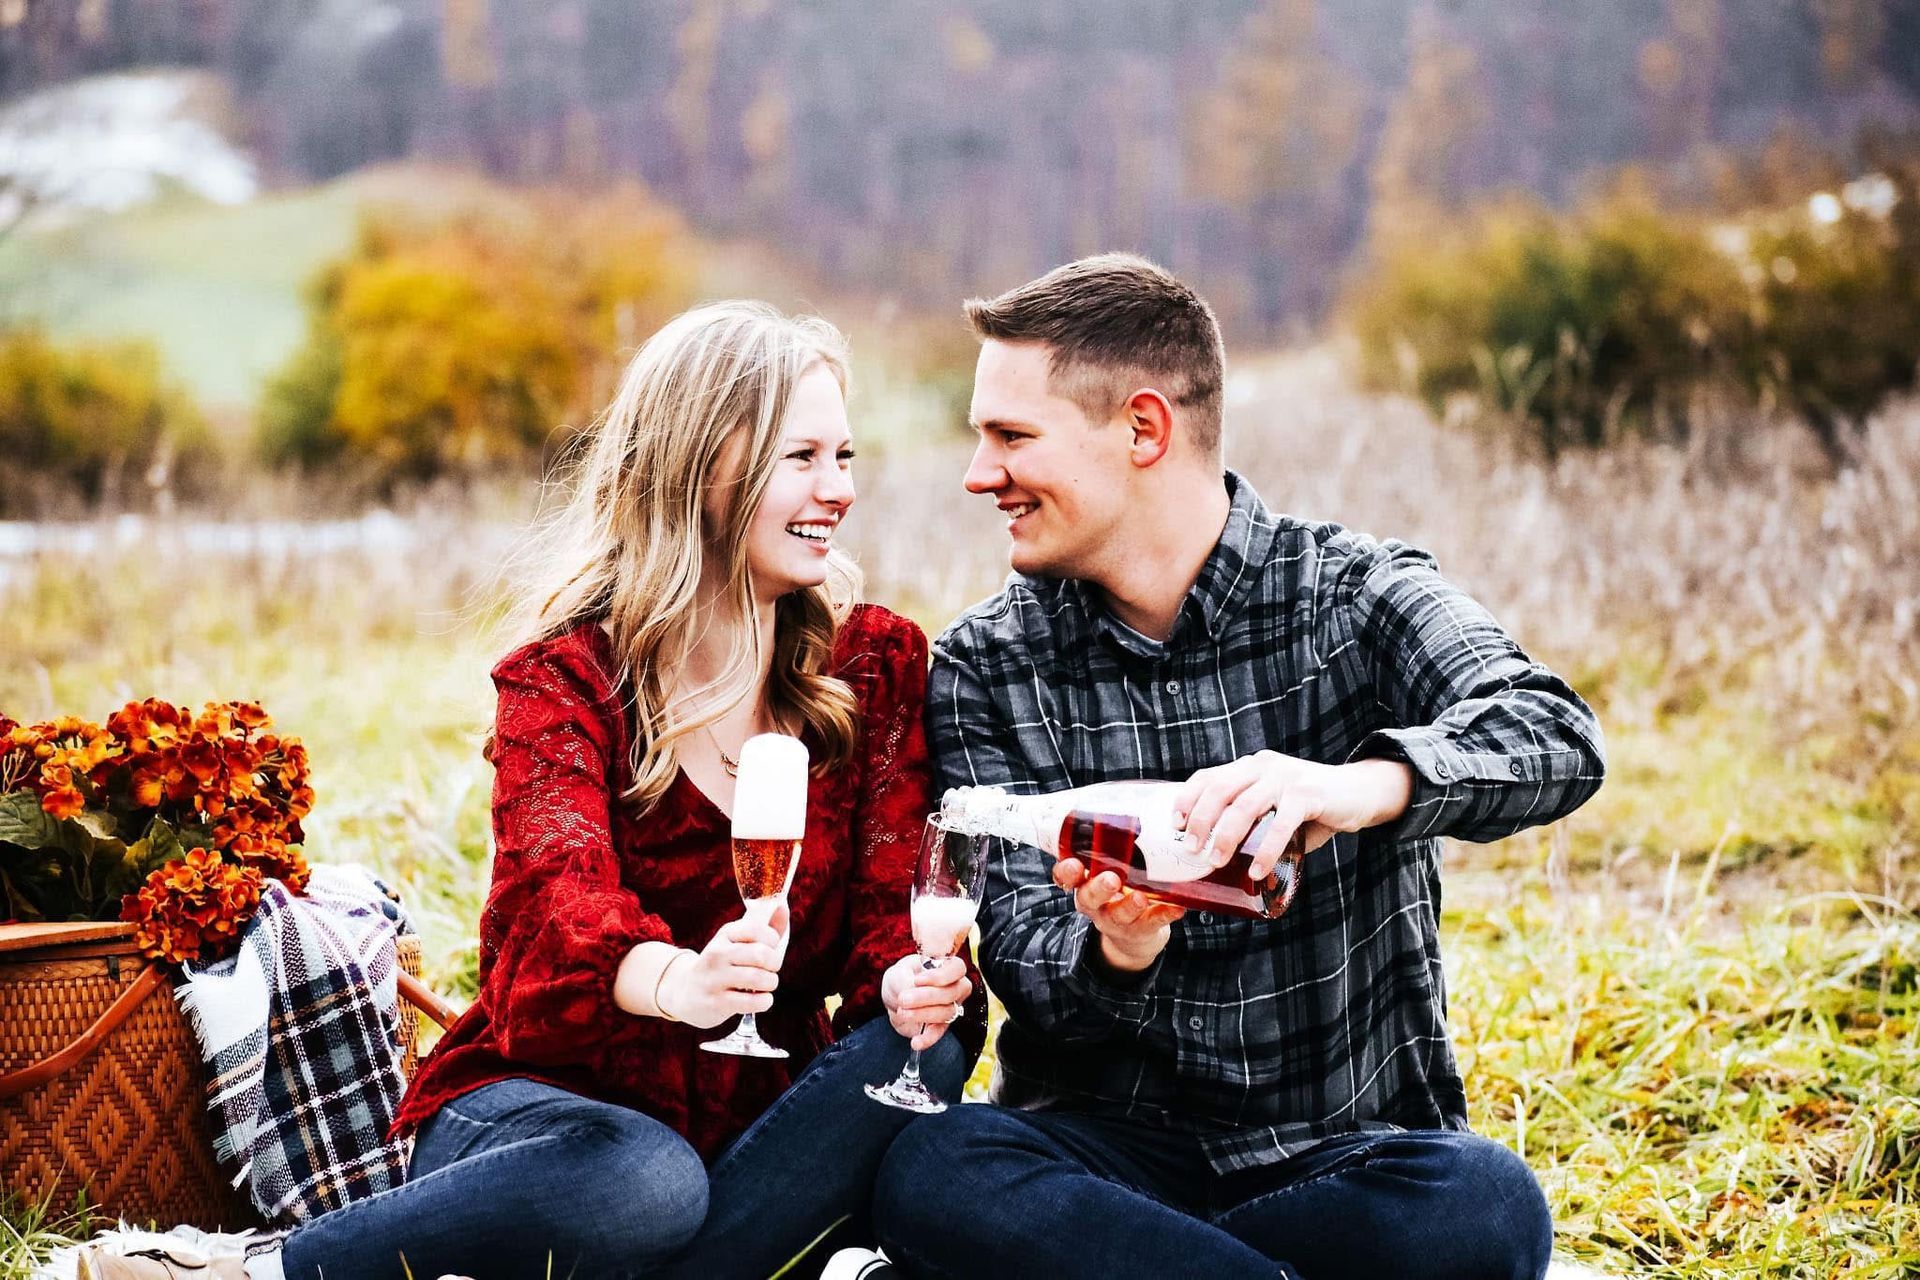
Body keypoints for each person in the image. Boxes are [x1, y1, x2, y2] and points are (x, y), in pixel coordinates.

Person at [81, 302, 985, 1280]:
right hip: (552, 1117)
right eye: (800, 457)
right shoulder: (564, 683)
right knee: (650, 1183)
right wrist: (680, 981)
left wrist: (905, 977)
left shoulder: (873, 666)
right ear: (699, 469)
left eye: (843, 456)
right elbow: (556, 918)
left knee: (932, 1041)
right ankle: (264, 1271)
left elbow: (892, 915)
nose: (838, 488)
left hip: (764, 1122)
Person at [872, 256, 1606, 1280]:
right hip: (1105, 1161)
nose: (978, 473)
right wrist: (1119, 945)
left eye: (1011, 436)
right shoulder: (985, 665)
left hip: (1338, 1156)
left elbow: (1554, 732)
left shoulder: (1351, 594)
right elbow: (1028, 961)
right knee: (932, 1167)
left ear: (1143, 429)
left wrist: (1354, 787)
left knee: (1484, 1207)